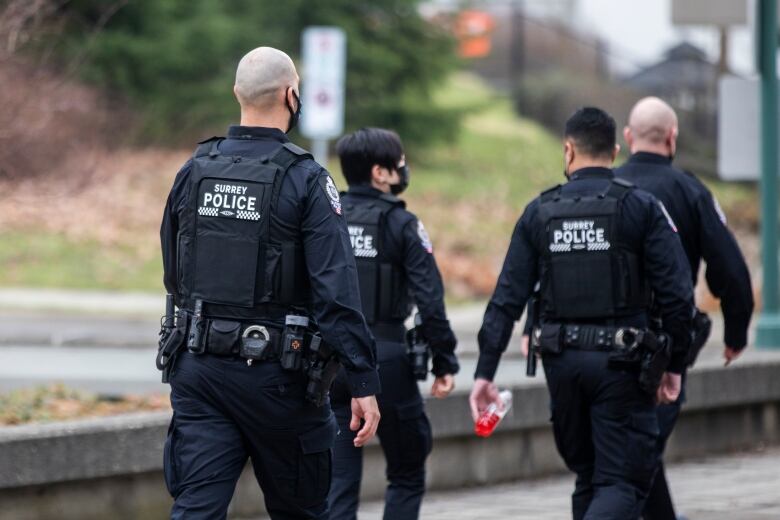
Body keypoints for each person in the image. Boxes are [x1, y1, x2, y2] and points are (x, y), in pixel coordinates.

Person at [157, 46, 381, 520]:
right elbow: (336, 291)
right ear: (291, 95)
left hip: (199, 369)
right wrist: (363, 379)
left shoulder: (194, 170)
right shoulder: (305, 179)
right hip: (279, 381)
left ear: (237, 93)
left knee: (196, 508)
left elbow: (173, 272)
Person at [470, 107, 694, 520]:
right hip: (623, 366)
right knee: (622, 483)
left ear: (568, 151)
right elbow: (679, 296)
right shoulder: (641, 208)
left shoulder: (540, 211)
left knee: (589, 478)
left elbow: (506, 299)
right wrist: (675, 364)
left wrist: (484, 373)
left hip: (562, 365)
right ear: (615, 149)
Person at [616, 96, 755, 520]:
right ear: (672, 138)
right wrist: (735, 332)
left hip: (600, 342)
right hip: (664, 345)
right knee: (640, 456)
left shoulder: (604, 188)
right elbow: (731, 268)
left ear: (627, 137)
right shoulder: (691, 191)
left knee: (635, 456)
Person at [328, 127, 460, 520]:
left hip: (331, 363)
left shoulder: (326, 218)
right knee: (406, 471)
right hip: (387, 360)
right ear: (380, 173)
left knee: (337, 485)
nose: (404, 169)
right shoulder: (402, 225)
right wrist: (445, 362)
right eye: (399, 163)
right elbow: (430, 301)